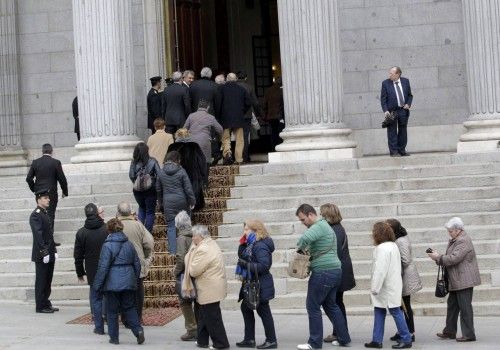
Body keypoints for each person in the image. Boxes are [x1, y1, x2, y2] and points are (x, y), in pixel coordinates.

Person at [295, 204, 351, 349]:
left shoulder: (318, 227)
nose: (303, 223)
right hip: (335, 271)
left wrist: (301, 248)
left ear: (310, 215)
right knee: (331, 305)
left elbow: (302, 241)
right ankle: (344, 338)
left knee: (312, 306)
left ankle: (314, 343)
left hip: (323, 272)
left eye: (303, 219)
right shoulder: (326, 226)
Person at [427, 217, 481, 342]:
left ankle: (469, 334)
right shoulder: (455, 239)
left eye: (451, 231)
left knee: (465, 307)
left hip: (464, 279)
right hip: (457, 279)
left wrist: (438, 257)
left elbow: (453, 259)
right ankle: (450, 331)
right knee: (452, 305)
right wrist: (438, 257)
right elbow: (449, 258)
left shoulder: (463, 241)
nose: (449, 233)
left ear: (458, 230)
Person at [93, 218, 145, 345]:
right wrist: (134, 278)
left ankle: (114, 338)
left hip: (112, 284)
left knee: (112, 311)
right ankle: (138, 331)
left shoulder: (107, 245)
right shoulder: (129, 244)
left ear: (109, 230)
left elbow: (103, 267)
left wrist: (97, 285)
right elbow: (137, 264)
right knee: (130, 307)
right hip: (128, 281)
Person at [365, 222, 412, 349]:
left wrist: (375, 287)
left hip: (385, 287)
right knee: (381, 310)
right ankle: (376, 340)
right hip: (392, 285)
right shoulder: (393, 245)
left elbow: (380, 271)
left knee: (394, 311)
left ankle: (406, 338)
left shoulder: (381, 249)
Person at [182, 225, 230, 349]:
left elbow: (193, 270)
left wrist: (192, 252)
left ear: (201, 236)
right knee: (203, 314)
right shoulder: (209, 243)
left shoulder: (203, 249)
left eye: (194, 236)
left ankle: (221, 343)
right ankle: (202, 340)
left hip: (210, 287)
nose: (192, 238)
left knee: (212, 317)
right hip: (211, 285)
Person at [235, 219, 278, 349]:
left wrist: (246, 265)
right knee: (245, 308)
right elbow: (243, 256)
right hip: (252, 283)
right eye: (244, 229)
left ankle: (271, 340)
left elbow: (264, 266)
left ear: (256, 230)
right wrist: (242, 244)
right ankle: (249, 339)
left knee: (264, 311)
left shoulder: (260, 245)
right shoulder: (251, 244)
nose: (244, 231)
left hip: (260, 284)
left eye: (247, 229)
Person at [319, 203, 356, 344]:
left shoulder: (334, 231)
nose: (321, 217)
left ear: (328, 215)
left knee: (334, 303)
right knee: (336, 302)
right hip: (343, 270)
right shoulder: (338, 228)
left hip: (339, 271)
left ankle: (341, 332)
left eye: (322, 214)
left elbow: (335, 253)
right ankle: (339, 331)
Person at [116, 201, 154, 323]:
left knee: (122, 290)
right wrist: (146, 257)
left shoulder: (115, 225)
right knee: (138, 290)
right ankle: (138, 317)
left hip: (119, 263)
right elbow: (149, 243)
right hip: (137, 262)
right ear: (131, 211)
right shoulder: (138, 225)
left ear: (118, 212)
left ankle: (125, 317)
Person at [73, 203, 108, 334]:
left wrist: (80, 273)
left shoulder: (81, 232)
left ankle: (99, 326)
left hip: (92, 270)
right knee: (108, 296)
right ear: (97, 213)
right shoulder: (106, 229)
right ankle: (110, 323)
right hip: (107, 267)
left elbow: (78, 256)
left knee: (95, 297)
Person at [386, 219, 422, 343]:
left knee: (405, 306)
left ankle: (410, 332)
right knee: (401, 306)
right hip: (402, 276)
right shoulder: (399, 239)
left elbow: (405, 260)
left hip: (405, 277)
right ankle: (402, 331)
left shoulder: (401, 241)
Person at [156, 150, 196, 255]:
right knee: (185, 225)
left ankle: (173, 252)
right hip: (182, 201)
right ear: (177, 160)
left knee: (171, 226)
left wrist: (160, 203)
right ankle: (188, 250)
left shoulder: (161, 172)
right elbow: (188, 188)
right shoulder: (181, 171)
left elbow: (158, 190)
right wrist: (192, 201)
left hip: (168, 203)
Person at [26, 143, 68, 230]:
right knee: (50, 214)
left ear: (42, 151)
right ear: (51, 151)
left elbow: (29, 178)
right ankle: (49, 241)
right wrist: (65, 192)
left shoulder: (35, 162)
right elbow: (62, 179)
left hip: (39, 193)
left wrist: (34, 189)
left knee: (40, 213)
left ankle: (44, 238)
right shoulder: (56, 162)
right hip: (51, 193)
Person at [30, 189, 58, 314]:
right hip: (42, 254)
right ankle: (40, 306)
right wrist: (44, 252)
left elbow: (49, 235)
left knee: (48, 279)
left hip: (49, 251)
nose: (48, 200)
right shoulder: (36, 215)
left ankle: (46, 302)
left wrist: (54, 250)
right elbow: (38, 235)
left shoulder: (44, 213)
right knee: (41, 280)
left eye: (48, 198)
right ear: (39, 199)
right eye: (45, 198)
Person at [168, 128, 207, 209]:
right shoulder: (194, 146)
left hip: (176, 177)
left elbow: (167, 162)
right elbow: (202, 162)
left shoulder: (172, 147)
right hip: (193, 176)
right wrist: (203, 176)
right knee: (192, 197)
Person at [173, 211, 197, 341]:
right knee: (197, 301)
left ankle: (192, 329)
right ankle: (200, 326)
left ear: (178, 225)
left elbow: (181, 259)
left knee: (185, 302)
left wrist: (175, 272)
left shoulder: (181, 238)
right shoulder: (195, 235)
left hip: (185, 274)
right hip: (196, 272)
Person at [218, 73, 251, 165]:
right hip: (239, 117)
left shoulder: (221, 88)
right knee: (240, 139)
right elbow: (248, 102)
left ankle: (227, 154)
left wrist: (219, 114)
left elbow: (218, 103)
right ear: (236, 79)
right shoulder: (242, 89)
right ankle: (239, 158)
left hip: (225, 117)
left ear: (227, 79)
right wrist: (242, 111)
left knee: (225, 137)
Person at [380, 66, 413, 157]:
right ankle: (394, 152)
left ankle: (402, 150)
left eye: (391, 73)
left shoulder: (405, 81)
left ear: (398, 74)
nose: (389, 75)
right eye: (389, 73)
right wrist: (385, 110)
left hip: (403, 110)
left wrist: (408, 104)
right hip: (392, 111)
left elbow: (410, 95)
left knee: (403, 131)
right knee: (392, 131)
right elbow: (383, 99)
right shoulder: (385, 83)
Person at [129, 142, 160, 233]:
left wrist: (137, 182)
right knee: (150, 212)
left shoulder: (133, 162)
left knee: (142, 208)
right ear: (147, 151)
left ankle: (140, 233)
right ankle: (147, 233)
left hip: (137, 190)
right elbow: (159, 175)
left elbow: (131, 175)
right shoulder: (153, 161)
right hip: (150, 190)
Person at [184, 99, 223, 168]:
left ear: (198, 107)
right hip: (205, 142)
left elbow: (184, 129)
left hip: (192, 142)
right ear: (208, 107)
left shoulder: (191, 116)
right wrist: (217, 138)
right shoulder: (210, 117)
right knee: (205, 163)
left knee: (193, 163)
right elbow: (220, 130)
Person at [236, 71, 263, 163]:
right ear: (246, 78)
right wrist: (260, 114)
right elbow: (255, 102)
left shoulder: (233, 87)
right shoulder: (249, 87)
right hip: (247, 115)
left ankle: (236, 156)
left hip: (235, 115)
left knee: (235, 135)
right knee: (245, 135)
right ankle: (245, 156)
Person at [263, 77, 284, 151]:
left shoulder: (269, 90)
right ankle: (280, 147)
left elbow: (265, 104)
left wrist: (265, 114)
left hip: (271, 116)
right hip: (280, 116)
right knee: (281, 132)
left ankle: (273, 148)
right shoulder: (283, 90)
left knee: (273, 133)